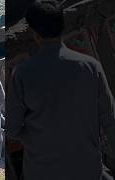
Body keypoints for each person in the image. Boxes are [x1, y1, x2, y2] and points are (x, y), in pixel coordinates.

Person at [7, 1, 115, 180]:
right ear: (62, 28)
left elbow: (11, 129)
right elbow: (110, 120)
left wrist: (34, 137)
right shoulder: (90, 67)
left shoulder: (23, 75)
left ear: (35, 34)